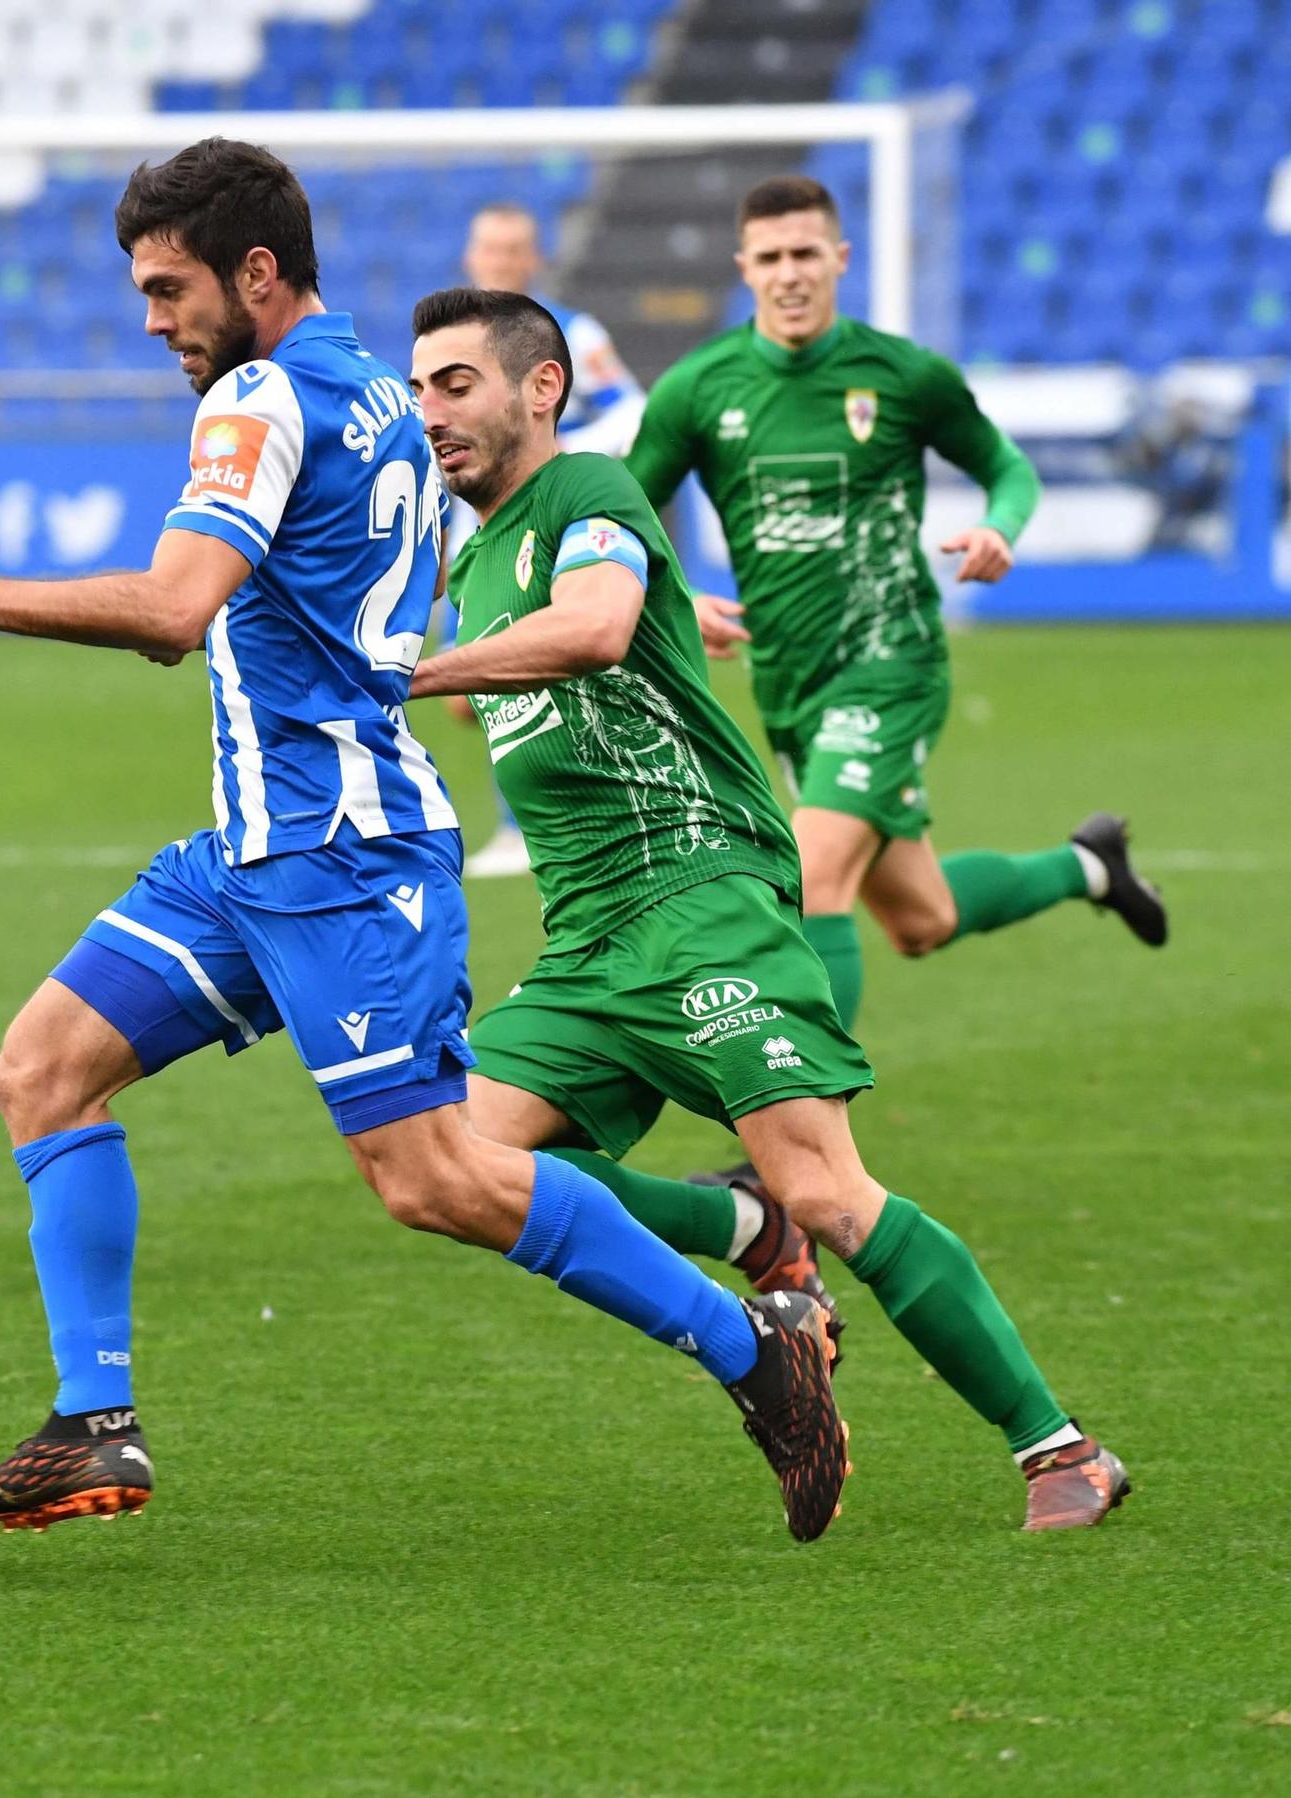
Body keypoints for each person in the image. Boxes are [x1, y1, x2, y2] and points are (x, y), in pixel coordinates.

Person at [0, 138, 848, 1543]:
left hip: (344, 856)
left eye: (169, 287)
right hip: (255, 844)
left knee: (437, 1180)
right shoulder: (374, 386)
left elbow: (180, 611)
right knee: (43, 1067)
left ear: (255, 272)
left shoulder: (256, 396)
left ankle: (754, 1352)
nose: (152, 318)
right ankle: (93, 1425)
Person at [407, 284, 1128, 1530]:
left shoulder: (587, 491)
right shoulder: (468, 553)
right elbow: (571, 640)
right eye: (419, 389)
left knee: (833, 1191)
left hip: (701, 902)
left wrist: (407, 670)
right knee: (447, 1162)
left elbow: (588, 627)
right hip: (586, 941)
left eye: (454, 384)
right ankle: (740, 1227)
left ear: (541, 388)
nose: (430, 415)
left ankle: (1058, 1448)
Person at [623, 177, 1165, 1065]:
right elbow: (625, 519)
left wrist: (1001, 525)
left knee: (812, 875)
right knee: (921, 919)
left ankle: (800, 1144)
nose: (790, 274)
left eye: (806, 254)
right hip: (790, 682)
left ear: (839, 258)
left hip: (891, 665)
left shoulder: (903, 376)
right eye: (770, 258)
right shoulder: (697, 389)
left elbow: (1007, 468)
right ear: (744, 269)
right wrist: (673, 596)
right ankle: (1091, 866)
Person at [448, 203, 650, 877]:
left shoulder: (573, 333)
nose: (501, 263)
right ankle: (535, 820)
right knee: (470, 696)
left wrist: (553, 455)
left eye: (513, 251)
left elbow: (630, 409)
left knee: (527, 664)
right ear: (471, 258)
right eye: (490, 250)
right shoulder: (453, 341)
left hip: (548, 527)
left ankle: (535, 827)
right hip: (475, 533)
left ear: (534, 259)